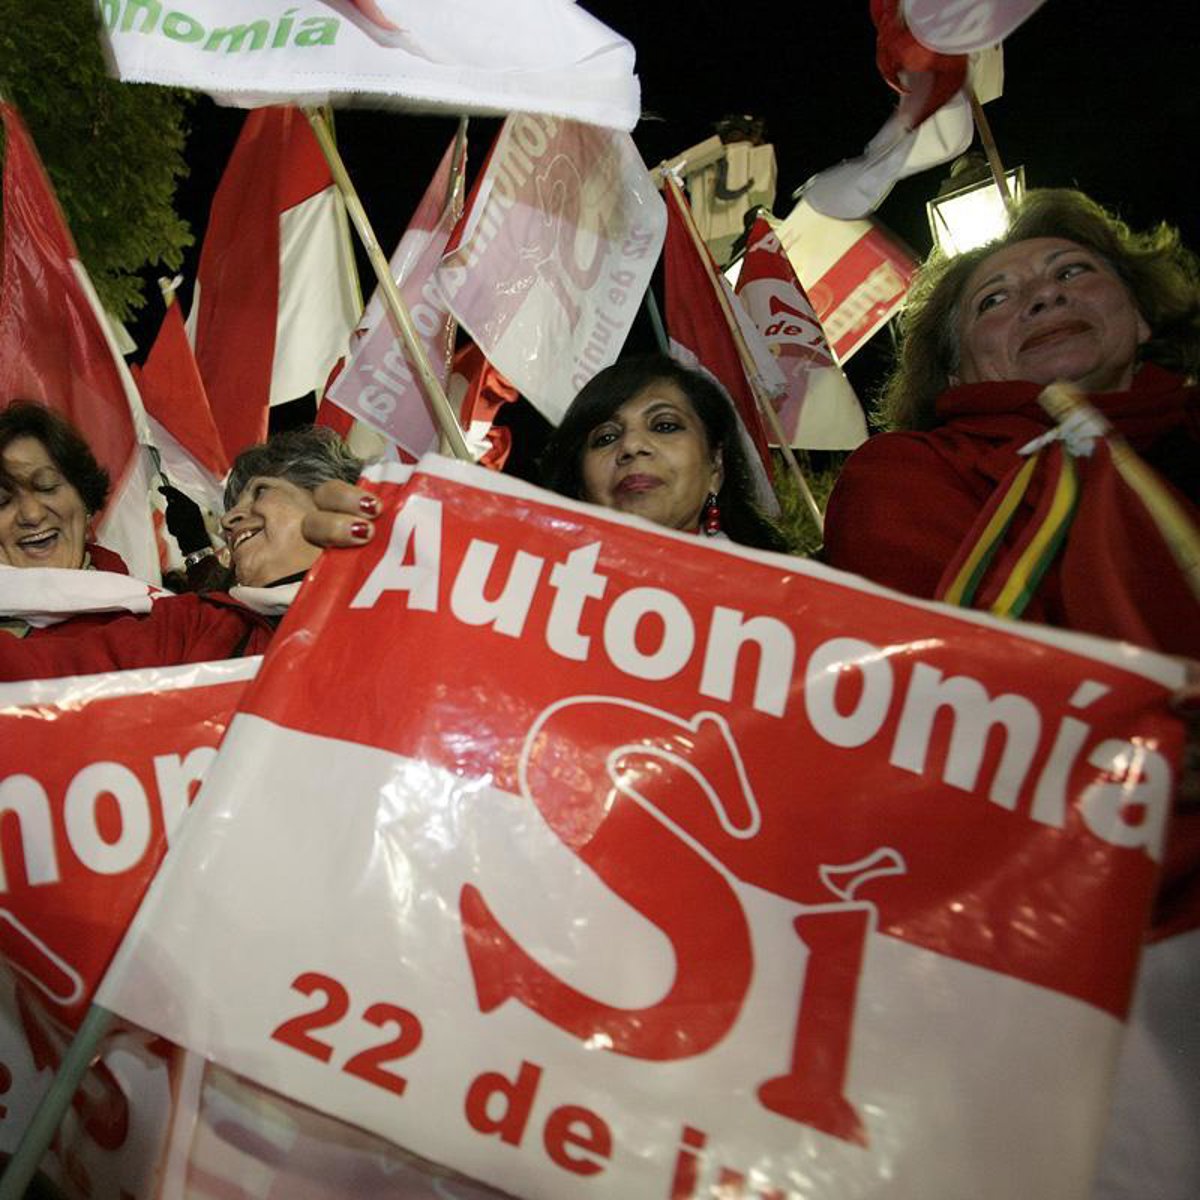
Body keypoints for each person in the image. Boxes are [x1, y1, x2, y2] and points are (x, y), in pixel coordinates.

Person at [823, 188, 1200, 658]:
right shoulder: (909, 474)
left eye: (1072, 271)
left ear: (1140, 316)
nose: (1045, 294)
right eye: (994, 300)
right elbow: (954, 669)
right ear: (954, 372)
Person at [0, 427, 365, 679]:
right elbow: (48, 673)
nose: (230, 520)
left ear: (331, 499)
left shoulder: (389, 596)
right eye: (3, 501)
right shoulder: (189, 627)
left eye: (260, 492)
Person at [541, 355, 789, 551]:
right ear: (580, 486)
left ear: (715, 466)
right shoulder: (530, 588)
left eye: (664, 426)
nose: (632, 445)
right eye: (606, 438)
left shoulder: (778, 594)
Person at [0, 400, 126, 573]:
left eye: (46, 487)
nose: (32, 515)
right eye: (2, 501)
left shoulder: (137, 590)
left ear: (85, 501)